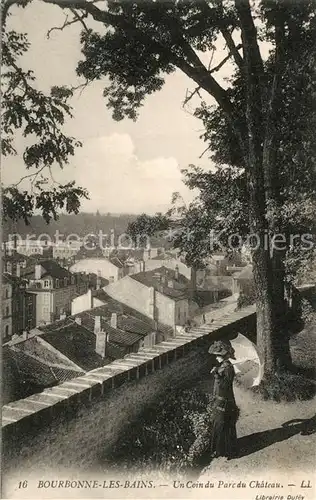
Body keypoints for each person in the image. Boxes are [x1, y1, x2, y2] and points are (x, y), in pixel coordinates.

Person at [207, 340, 239, 459]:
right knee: (220, 423)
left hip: (225, 400)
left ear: (224, 356)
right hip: (221, 398)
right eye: (216, 355)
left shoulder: (228, 368)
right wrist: (217, 371)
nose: (216, 357)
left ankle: (226, 451)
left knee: (221, 423)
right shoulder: (223, 366)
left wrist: (216, 374)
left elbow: (225, 386)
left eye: (218, 355)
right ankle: (221, 450)